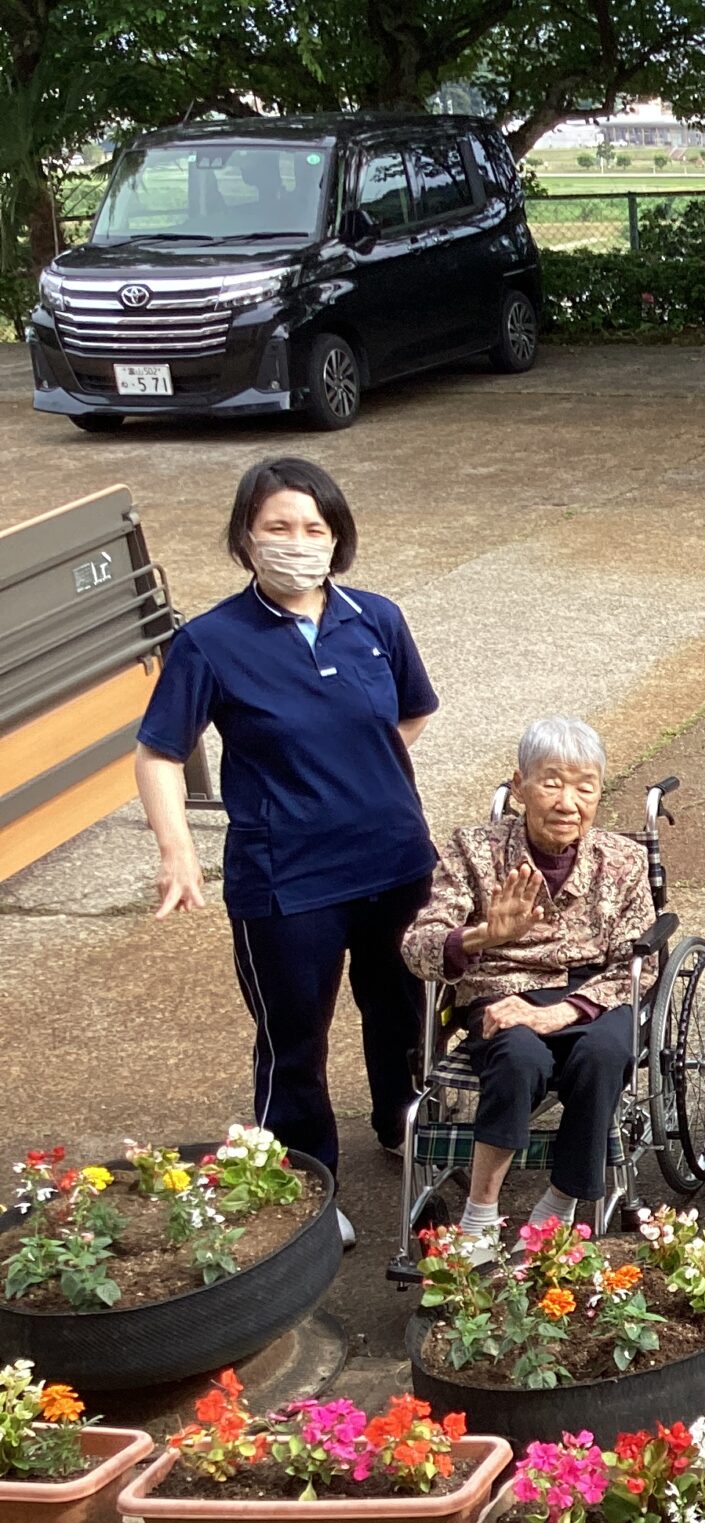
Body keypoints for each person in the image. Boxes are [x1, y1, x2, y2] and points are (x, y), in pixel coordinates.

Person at [133, 457, 438, 1192]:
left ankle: (401, 1124)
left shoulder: (376, 619)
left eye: (313, 528)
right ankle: (306, 1186)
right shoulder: (212, 641)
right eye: (278, 527)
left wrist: (355, 770)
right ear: (246, 537)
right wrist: (178, 852)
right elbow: (159, 753)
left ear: (338, 538)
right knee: (293, 1038)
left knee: (403, 1013)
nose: (297, 542)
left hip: (395, 861)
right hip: (287, 879)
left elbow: (413, 711)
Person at [399, 718, 656, 1254]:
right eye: (551, 782)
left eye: (585, 787)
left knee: (606, 1053)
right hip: (502, 990)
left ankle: (559, 1207)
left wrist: (563, 1011)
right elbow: (416, 946)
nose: (568, 802)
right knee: (519, 1058)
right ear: (520, 786)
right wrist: (482, 936)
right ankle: (480, 1215)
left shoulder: (623, 860)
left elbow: (641, 963)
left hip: (592, 995)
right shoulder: (473, 850)